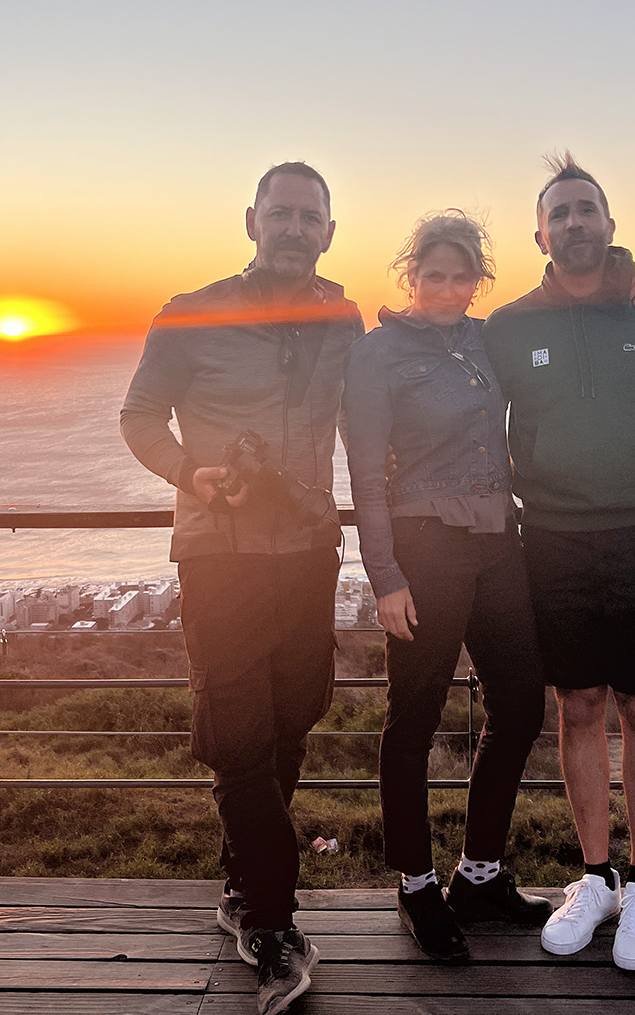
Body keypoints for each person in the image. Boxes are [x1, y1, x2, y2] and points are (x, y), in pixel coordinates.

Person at [119, 161, 363, 1015]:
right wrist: (195, 471)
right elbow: (138, 416)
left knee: (294, 711)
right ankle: (271, 914)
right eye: (281, 213)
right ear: (251, 220)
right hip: (219, 554)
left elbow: (377, 401)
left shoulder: (343, 314)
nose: (295, 227)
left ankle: (239, 877)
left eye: (311, 216)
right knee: (236, 732)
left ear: (328, 231)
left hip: (307, 550)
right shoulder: (188, 314)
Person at [481, 157, 635, 972]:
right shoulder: (508, 326)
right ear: (541, 234)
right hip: (555, 537)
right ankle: (596, 878)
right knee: (577, 706)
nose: (574, 224)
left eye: (587, 211)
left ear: (610, 225)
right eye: (560, 214)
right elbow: (457, 402)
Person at [343, 211, 551, 964]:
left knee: (522, 705)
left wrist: (626, 277)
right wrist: (386, 575)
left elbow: (550, 321)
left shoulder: (483, 338)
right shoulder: (375, 354)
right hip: (424, 550)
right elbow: (366, 475)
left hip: (499, 542)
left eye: (463, 275)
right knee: (415, 719)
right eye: (435, 273)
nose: (449, 286)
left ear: (477, 281)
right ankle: (416, 882)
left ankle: (480, 872)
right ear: (412, 275)